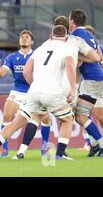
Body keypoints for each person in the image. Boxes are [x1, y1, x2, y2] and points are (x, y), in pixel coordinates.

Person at [0, 25, 78, 162]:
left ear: (51, 36)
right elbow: (69, 66)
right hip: (52, 92)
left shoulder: (40, 49)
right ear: (66, 38)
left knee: (15, 124)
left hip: (33, 91)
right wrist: (73, 90)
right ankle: (59, 154)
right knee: (67, 119)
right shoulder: (67, 48)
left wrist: (36, 86)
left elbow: (26, 72)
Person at [12, 15, 96, 159]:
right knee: (70, 118)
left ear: (53, 30)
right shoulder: (75, 42)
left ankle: (21, 151)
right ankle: (66, 150)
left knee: (36, 117)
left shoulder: (47, 43)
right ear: (68, 29)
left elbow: (30, 69)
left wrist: (36, 84)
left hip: (44, 87)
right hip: (66, 86)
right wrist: (79, 59)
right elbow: (95, 58)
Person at [0, 30, 51, 157]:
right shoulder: (12, 57)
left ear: (32, 42)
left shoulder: (37, 55)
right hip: (17, 91)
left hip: (34, 91)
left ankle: (45, 145)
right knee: (7, 114)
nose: (24, 39)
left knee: (46, 118)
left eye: (27, 37)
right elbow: (2, 74)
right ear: (19, 41)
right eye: (22, 37)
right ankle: (4, 149)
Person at [70, 9, 103, 157]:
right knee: (81, 114)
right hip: (96, 78)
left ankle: (99, 144)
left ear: (72, 21)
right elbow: (100, 57)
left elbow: (90, 59)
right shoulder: (91, 36)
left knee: (80, 115)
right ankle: (95, 144)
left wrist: (78, 58)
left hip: (92, 80)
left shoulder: (75, 36)